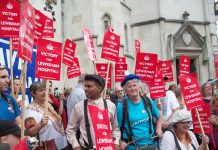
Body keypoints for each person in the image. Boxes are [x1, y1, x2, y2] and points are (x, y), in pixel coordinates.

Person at [66, 74, 120, 150]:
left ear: (99, 89)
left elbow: (115, 128)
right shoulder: (79, 106)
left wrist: (116, 142)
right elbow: (70, 129)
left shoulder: (110, 106)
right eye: (85, 86)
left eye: (89, 86)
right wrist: (75, 145)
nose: (85, 89)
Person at [117, 74, 162, 150]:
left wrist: (159, 128)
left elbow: (159, 116)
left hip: (151, 144)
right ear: (125, 90)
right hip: (132, 147)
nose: (133, 88)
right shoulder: (121, 107)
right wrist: (120, 141)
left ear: (139, 86)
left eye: (134, 85)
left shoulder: (148, 101)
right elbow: (116, 127)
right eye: (129, 86)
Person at [25, 82, 68, 150]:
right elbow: (30, 132)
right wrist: (40, 124)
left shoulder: (48, 105)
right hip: (47, 147)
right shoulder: (30, 110)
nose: (45, 92)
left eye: (45, 90)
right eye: (41, 90)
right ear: (33, 93)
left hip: (61, 144)